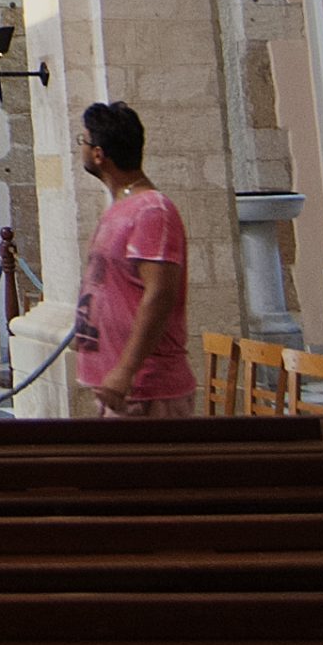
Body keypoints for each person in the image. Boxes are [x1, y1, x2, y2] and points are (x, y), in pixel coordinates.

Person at [73, 99, 198, 417]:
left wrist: (125, 370)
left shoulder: (152, 210)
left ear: (99, 154)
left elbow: (160, 293)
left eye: (83, 142)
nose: (82, 149)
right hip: (120, 390)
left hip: (146, 390)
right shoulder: (122, 207)